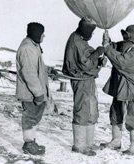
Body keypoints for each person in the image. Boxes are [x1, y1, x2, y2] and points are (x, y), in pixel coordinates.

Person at [62, 17, 106, 156]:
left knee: (91, 109)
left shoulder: (79, 39)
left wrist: (98, 60)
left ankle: (88, 143)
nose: (91, 35)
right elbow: (85, 62)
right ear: (86, 31)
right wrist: (99, 52)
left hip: (87, 79)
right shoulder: (76, 41)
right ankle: (79, 145)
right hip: (81, 80)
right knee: (82, 109)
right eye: (91, 32)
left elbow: (87, 57)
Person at [101, 25, 134, 155]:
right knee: (115, 112)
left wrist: (107, 48)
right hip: (120, 86)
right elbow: (115, 47)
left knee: (132, 116)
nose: (124, 36)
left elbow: (122, 62)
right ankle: (116, 141)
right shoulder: (127, 45)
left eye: (126, 34)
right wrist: (108, 41)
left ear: (132, 36)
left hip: (131, 88)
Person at [16, 22, 57, 155]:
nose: (43, 36)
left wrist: (49, 70)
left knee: (34, 117)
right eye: (41, 34)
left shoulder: (34, 46)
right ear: (36, 34)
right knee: (30, 117)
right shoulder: (27, 48)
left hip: (35, 91)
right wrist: (38, 93)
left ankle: (31, 141)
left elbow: (38, 66)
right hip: (30, 92)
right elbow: (29, 73)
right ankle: (28, 144)